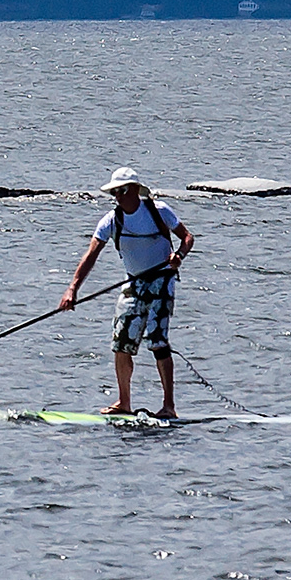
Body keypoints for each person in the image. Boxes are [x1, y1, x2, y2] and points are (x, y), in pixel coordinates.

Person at [61, 167, 194, 419]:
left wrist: (179, 256)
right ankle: (124, 402)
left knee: (157, 341)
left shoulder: (159, 211)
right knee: (121, 342)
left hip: (162, 280)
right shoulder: (111, 221)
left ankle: (169, 406)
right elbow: (91, 256)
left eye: (122, 191)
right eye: (114, 193)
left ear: (134, 189)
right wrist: (72, 290)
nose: (118, 197)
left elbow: (187, 237)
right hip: (133, 283)